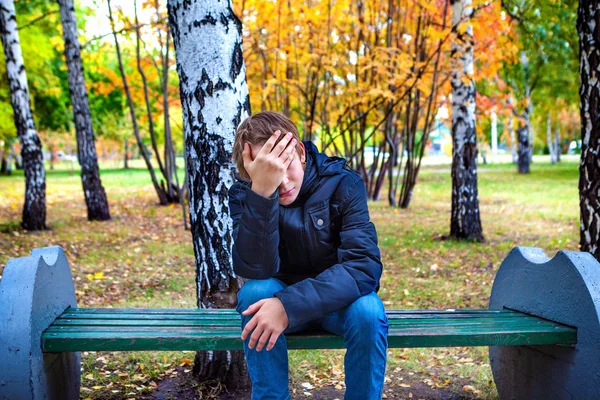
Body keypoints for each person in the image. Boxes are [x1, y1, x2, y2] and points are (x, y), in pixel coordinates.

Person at [229, 111, 388, 400]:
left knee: (369, 311)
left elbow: (363, 267)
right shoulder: (246, 194)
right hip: (275, 298)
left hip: (338, 303)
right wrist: (261, 195)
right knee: (255, 293)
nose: (282, 182)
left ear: (300, 152)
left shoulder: (343, 184)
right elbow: (255, 268)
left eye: (285, 165)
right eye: (269, 173)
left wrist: (287, 306)